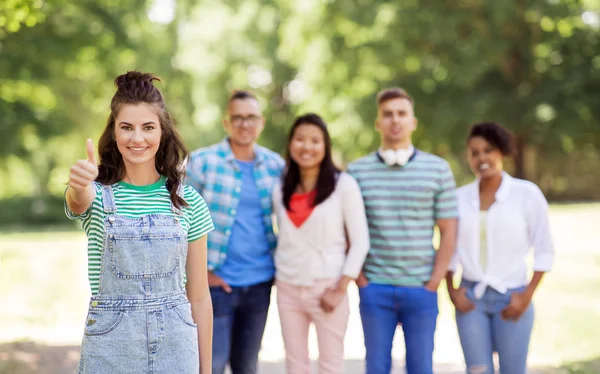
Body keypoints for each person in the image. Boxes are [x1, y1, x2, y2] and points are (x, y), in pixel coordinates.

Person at [65, 71, 214, 373]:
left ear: (162, 133)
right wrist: (79, 185)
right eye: (126, 127)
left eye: (148, 127)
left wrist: (206, 370)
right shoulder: (95, 195)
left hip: (177, 347)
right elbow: (76, 200)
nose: (137, 138)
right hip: (110, 348)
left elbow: (198, 297)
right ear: (115, 133)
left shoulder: (189, 202)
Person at [347, 87, 458, 374]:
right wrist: (361, 279)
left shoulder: (438, 169)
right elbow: (347, 230)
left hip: (421, 287)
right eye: (387, 114)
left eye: (401, 114)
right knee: (376, 367)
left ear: (413, 122)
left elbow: (449, 230)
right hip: (375, 287)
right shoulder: (356, 172)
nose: (394, 120)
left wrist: (434, 282)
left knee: (421, 367)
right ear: (378, 123)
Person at [185, 90, 284, 374]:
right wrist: (201, 273)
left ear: (261, 122)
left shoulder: (276, 166)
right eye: (237, 118)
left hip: (260, 283)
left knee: (247, 366)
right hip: (215, 284)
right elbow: (180, 222)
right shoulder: (202, 163)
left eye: (251, 117)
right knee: (210, 365)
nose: (244, 124)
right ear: (226, 123)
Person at [445, 122, 554, 374]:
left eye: (488, 150)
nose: (481, 157)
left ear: (502, 152)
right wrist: (451, 290)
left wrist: (526, 296)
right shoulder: (458, 198)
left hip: (512, 297)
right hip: (471, 299)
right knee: (478, 370)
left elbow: (544, 249)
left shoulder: (527, 194)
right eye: (475, 152)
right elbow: (449, 247)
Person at [272, 113, 369, 374]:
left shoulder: (343, 186)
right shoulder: (280, 187)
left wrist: (340, 289)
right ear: (291, 144)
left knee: (330, 366)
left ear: (325, 146)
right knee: (295, 365)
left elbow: (360, 242)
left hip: (328, 287)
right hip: (288, 289)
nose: (307, 147)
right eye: (300, 139)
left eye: (315, 140)